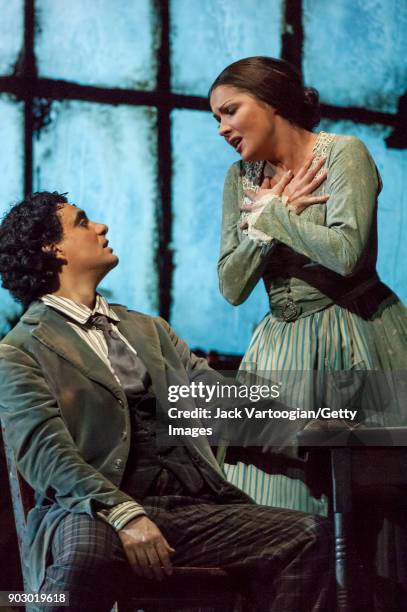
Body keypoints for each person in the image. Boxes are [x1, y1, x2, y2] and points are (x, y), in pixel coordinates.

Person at [0, 192, 333, 612]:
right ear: (54, 249)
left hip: (187, 508)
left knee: (308, 535)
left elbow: (220, 403)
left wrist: (322, 425)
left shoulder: (148, 330)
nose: (101, 227)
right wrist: (123, 513)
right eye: (83, 222)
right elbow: (48, 454)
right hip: (90, 509)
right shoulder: (20, 350)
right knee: (84, 558)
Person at [209, 56, 407, 514]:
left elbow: (346, 254)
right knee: (276, 498)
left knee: (362, 502)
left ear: (273, 103)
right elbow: (231, 286)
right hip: (281, 349)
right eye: (216, 118)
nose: (222, 128)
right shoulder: (240, 178)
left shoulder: (344, 152)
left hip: (355, 336)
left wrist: (273, 214)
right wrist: (262, 229)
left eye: (230, 110)